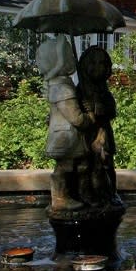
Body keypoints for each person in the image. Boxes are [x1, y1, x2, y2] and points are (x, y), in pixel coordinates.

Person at [36, 35, 93, 212]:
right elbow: (75, 117)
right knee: (65, 167)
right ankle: (60, 198)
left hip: (65, 135)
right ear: (60, 62)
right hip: (66, 137)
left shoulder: (58, 84)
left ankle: (78, 193)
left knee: (80, 165)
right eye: (69, 57)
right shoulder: (63, 88)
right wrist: (89, 117)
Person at [76, 45, 119, 205]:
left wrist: (97, 106)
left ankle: (110, 194)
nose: (99, 68)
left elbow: (111, 110)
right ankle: (87, 195)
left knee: (106, 163)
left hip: (103, 133)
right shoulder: (81, 89)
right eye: (94, 63)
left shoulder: (103, 91)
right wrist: (84, 106)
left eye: (102, 64)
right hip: (87, 134)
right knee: (86, 165)